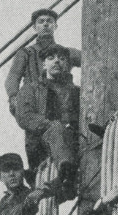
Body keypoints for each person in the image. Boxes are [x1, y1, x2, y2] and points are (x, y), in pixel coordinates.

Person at [15, 43, 80, 196]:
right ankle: (67, 175)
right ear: (44, 64)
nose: (57, 61)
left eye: (62, 58)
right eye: (51, 58)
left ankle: (66, 178)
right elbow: (24, 116)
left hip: (72, 142)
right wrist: (52, 126)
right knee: (57, 128)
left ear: (68, 64)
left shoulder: (77, 92)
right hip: (40, 145)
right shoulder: (30, 89)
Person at [5, 8, 80, 117]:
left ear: (55, 26)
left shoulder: (67, 53)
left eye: (49, 21)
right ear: (35, 27)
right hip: (37, 105)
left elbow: (91, 60)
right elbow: (12, 78)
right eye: (41, 21)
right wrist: (14, 98)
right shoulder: (25, 53)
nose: (45, 24)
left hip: (64, 104)